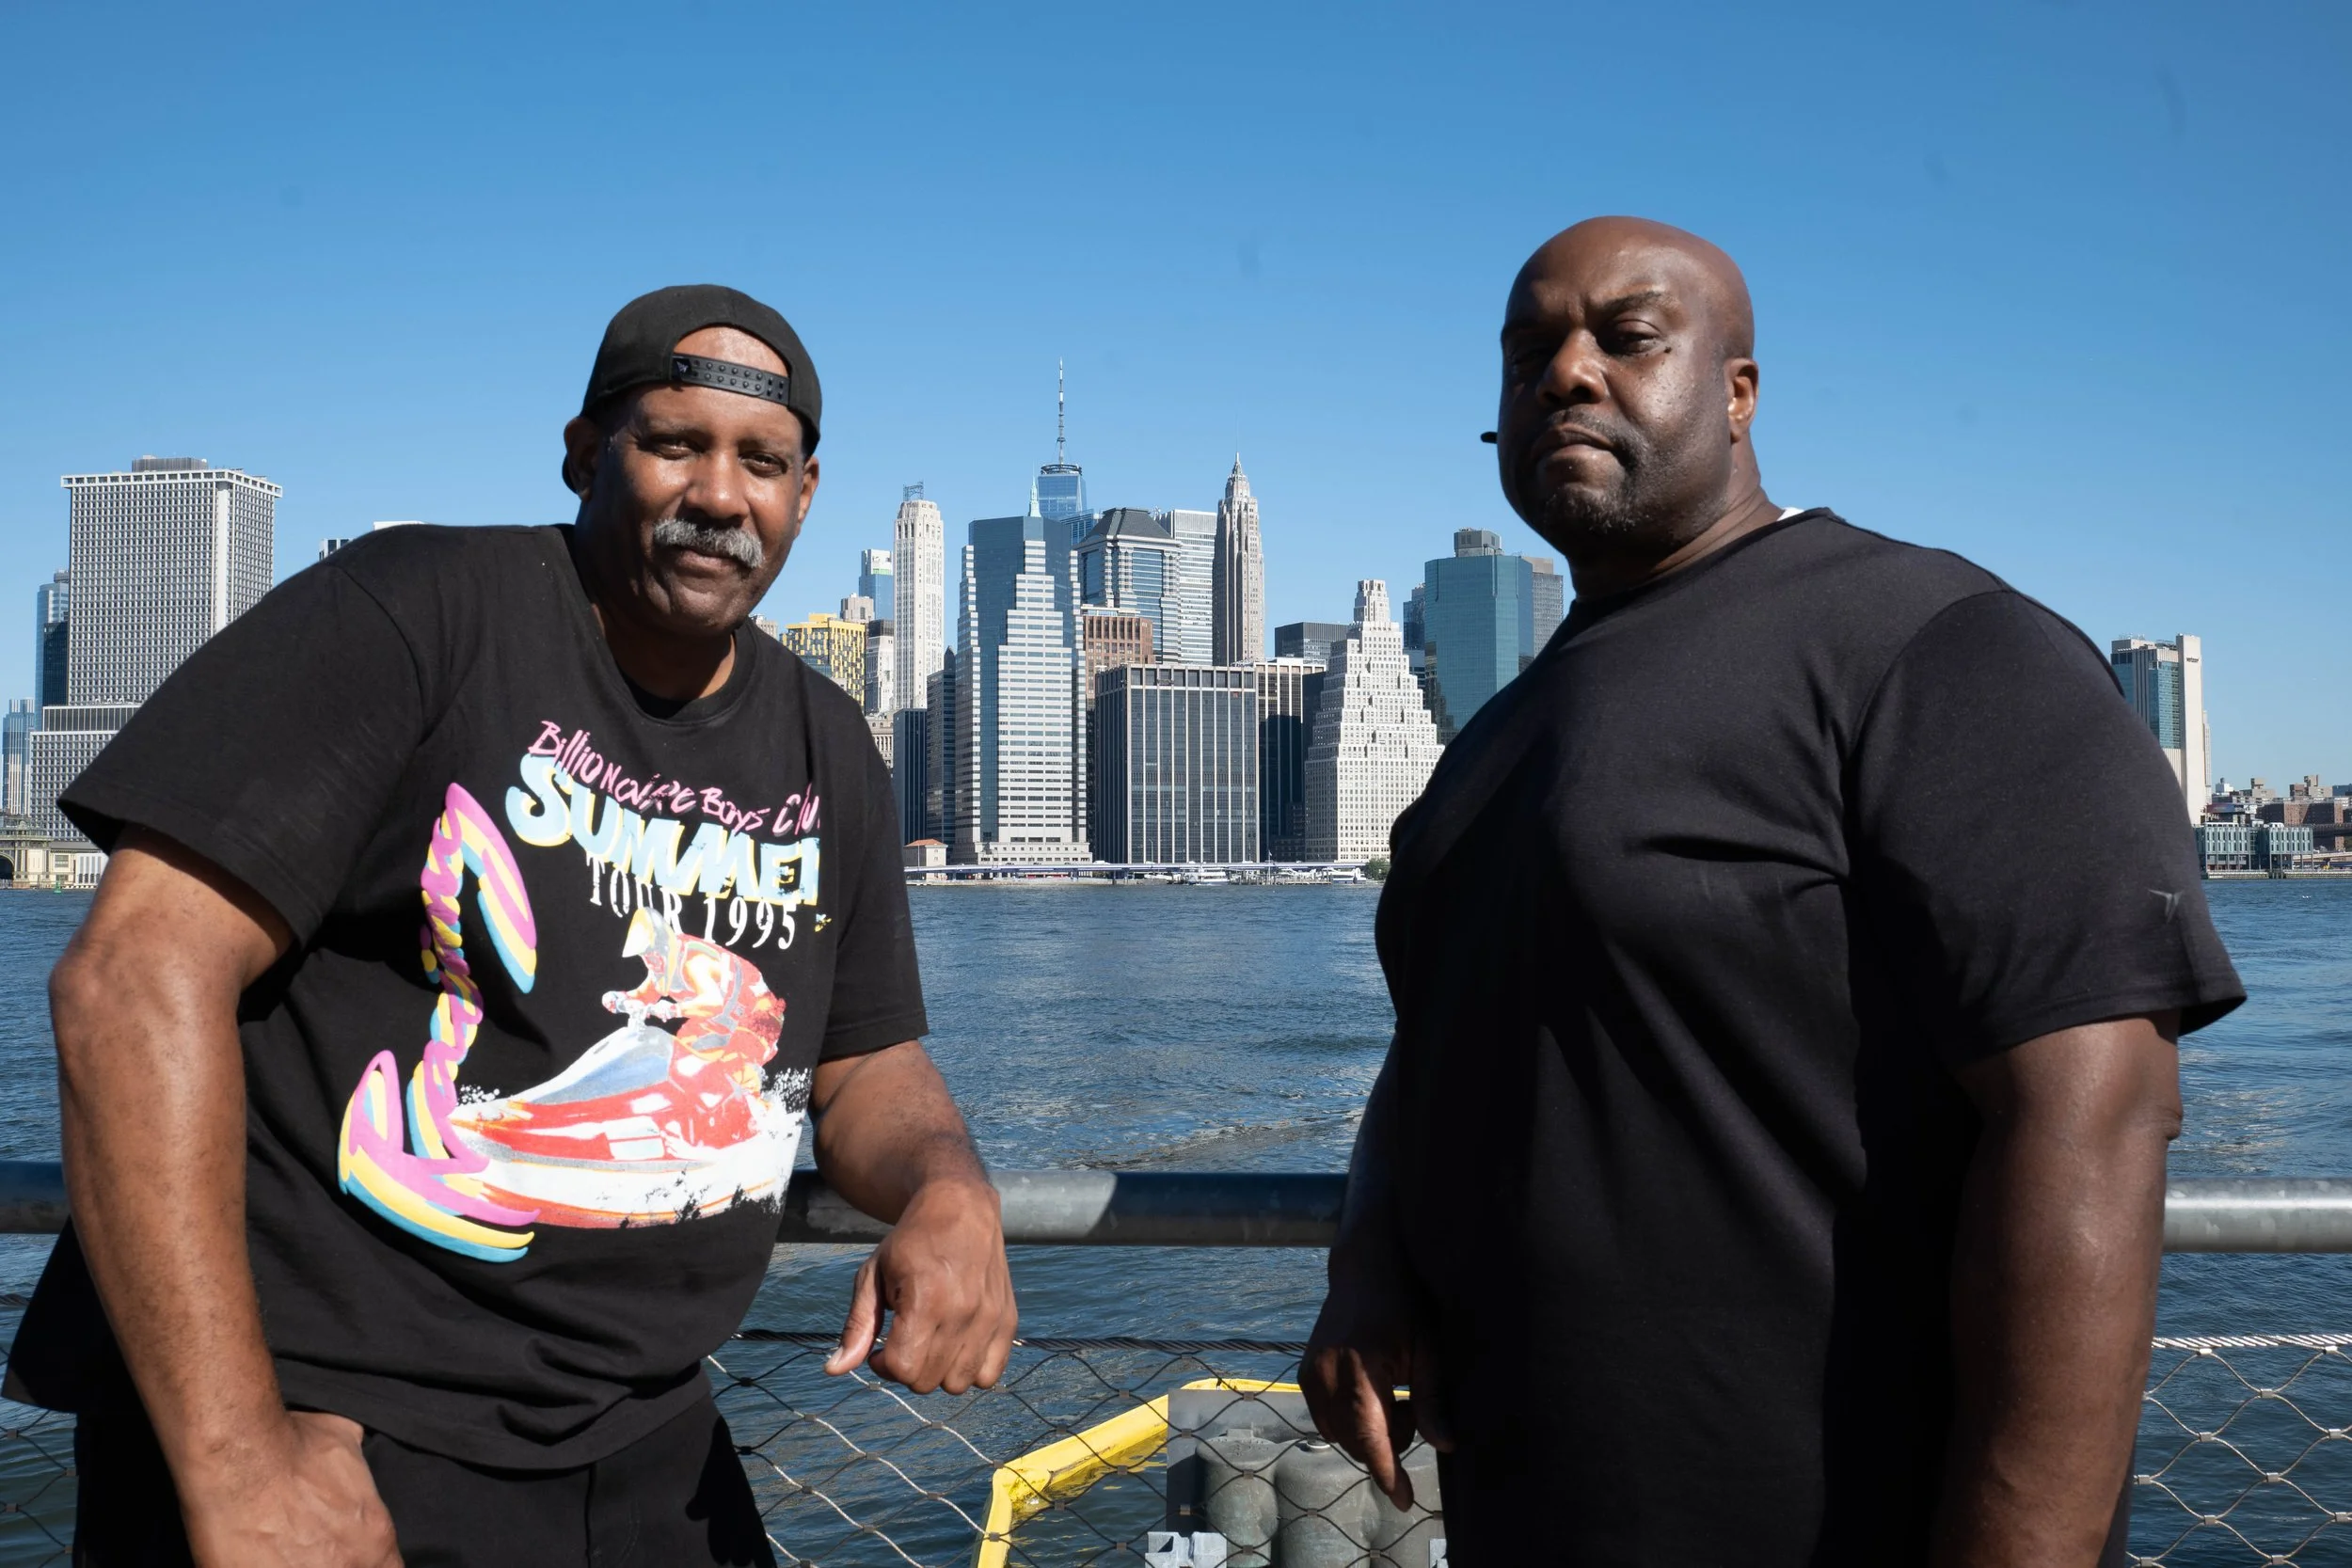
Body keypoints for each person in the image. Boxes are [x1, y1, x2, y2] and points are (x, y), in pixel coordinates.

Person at [8, 284, 1017, 1567]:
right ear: (587, 455)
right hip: (328, 1427)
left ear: (805, 495)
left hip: (643, 1432)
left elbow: (865, 1062)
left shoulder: (828, 744)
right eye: (674, 443)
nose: (720, 492)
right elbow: (132, 980)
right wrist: (236, 1461)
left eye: (761, 461)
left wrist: (949, 1186)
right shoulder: (415, 612)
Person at [1299, 218, 2244, 1566]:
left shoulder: (1937, 648)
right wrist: (1368, 1253)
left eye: (1628, 338)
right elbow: (1437, 1040)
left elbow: (2092, 1116)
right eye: (1529, 353)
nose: (1567, 373)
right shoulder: (1493, 743)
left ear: (1739, 394)